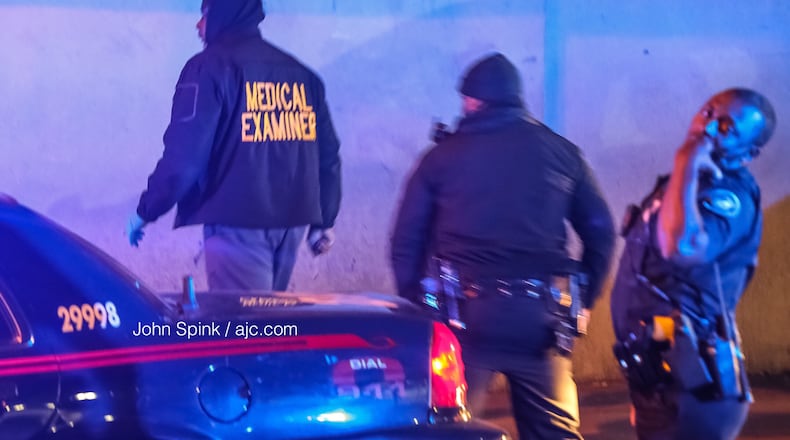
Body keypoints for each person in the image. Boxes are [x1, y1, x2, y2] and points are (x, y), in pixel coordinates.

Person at [390, 52, 616, 439]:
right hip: (541, 321)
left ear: (473, 101)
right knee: (555, 431)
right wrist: (587, 300)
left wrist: (417, 308)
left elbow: (405, 241)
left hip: (464, 320)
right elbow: (601, 232)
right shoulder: (563, 153)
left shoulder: (440, 158)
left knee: (451, 428)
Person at [126, 0, 341, 292]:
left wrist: (146, 211)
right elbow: (328, 157)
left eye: (204, 14)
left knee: (245, 329)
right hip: (292, 225)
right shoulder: (303, 77)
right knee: (270, 323)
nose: (198, 26)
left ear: (222, 14)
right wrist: (324, 220)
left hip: (237, 228)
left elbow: (184, 160)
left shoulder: (208, 69)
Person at [610, 88, 776, 440]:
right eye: (708, 111)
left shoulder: (731, 194)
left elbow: (681, 247)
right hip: (662, 379)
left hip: (695, 387)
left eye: (727, 127)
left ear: (749, 152)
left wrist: (685, 161)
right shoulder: (688, 183)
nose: (709, 126)